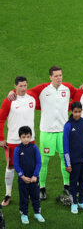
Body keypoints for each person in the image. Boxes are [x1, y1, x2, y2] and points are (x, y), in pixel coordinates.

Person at [8, 65, 77, 199]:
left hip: (63, 131)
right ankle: (42, 188)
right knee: (44, 161)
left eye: (60, 75)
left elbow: (78, 94)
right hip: (47, 131)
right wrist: (12, 92)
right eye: (56, 76)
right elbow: (24, 91)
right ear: (50, 77)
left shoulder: (67, 87)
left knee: (65, 159)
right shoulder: (42, 89)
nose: (59, 78)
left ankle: (67, 186)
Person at [0, 76, 36, 207]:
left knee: (29, 166)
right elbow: (1, 119)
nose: (23, 88)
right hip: (13, 140)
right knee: (10, 166)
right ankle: (8, 194)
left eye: (25, 85)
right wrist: (1, 138)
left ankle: (30, 192)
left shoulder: (32, 97)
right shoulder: (9, 100)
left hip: (30, 140)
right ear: (15, 86)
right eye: (20, 86)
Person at [63, 102, 83, 214]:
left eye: (79, 112)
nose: (77, 114)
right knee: (73, 182)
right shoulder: (68, 125)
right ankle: (74, 203)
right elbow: (65, 146)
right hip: (74, 161)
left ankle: (81, 201)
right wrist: (68, 163)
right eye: (75, 112)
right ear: (71, 111)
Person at [13, 126, 44, 224]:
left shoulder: (34, 148)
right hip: (23, 180)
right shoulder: (17, 149)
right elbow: (16, 164)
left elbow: (39, 162)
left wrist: (35, 175)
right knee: (24, 197)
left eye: (28, 136)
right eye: (23, 137)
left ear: (31, 137)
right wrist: (22, 176)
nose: (26, 139)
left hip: (34, 179)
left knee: (35, 196)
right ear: (20, 137)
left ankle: (37, 213)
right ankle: (24, 214)